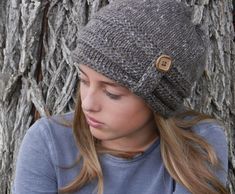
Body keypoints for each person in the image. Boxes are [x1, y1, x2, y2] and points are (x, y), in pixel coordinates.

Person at [12, 0, 228, 193]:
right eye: (84, 80)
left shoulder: (200, 142)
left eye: (111, 93)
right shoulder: (49, 142)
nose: (87, 104)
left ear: (159, 101)